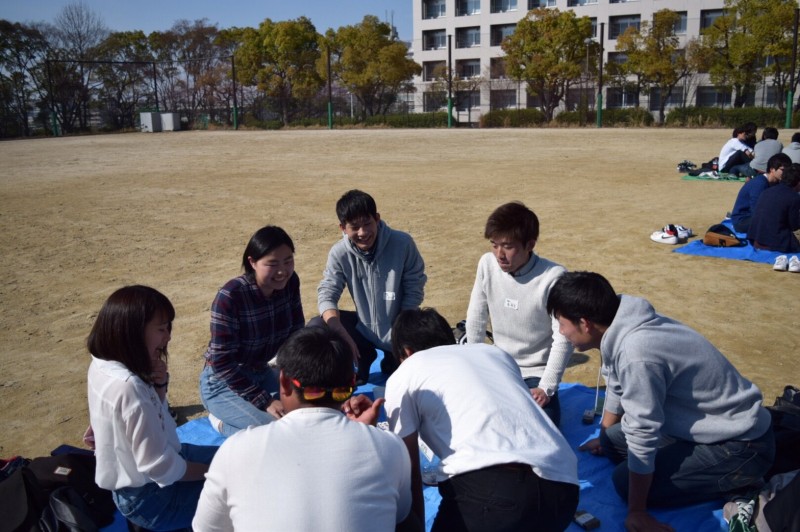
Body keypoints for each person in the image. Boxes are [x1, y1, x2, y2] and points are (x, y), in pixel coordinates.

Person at [546, 272, 775, 532]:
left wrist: (637, 511)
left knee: (624, 482)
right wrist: (604, 435)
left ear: (584, 323)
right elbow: (617, 385)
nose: (561, 333)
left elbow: (643, 432)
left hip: (742, 444)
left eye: (562, 324)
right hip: (702, 428)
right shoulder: (618, 323)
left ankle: (741, 481)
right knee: (612, 441)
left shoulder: (637, 353)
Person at [346, 307, 579, 531]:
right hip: (564, 490)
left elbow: (408, 469)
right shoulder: (494, 353)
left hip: (491, 492)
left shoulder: (405, 373)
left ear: (406, 352)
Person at [193, 326, 415, 532]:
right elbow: (401, 515)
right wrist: (368, 436)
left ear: (283, 382)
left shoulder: (236, 450)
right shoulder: (390, 447)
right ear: (352, 383)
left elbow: (206, 528)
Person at [87, 285, 217, 531]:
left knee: (238, 457)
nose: (168, 337)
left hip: (147, 475)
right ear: (132, 332)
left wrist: (158, 386)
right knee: (242, 485)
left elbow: (154, 419)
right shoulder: (128, 387)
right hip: (152, 500)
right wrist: (213, 473)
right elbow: (160, 468)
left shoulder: (103, 364)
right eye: (161, 329)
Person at [465, 201, 573, 426]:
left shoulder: (553, 277)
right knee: (474, 415)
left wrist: (546, 387)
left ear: (530, 244)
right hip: (498, 364)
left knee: (543, 426)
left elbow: (563, 338)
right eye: (494, 245)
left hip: (536, 373)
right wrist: (474, 365)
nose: (499, 255)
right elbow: (476, 316)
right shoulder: (487, 264)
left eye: (507, 246)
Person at [199, 225, 304, 436]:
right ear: (252, 262)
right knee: (275, 432)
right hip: (223, 382)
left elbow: (296, 333)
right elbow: (221, 361)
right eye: (272, 264)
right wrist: (265, 401)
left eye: (288, 261)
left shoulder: (291, 282)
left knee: (308, 415)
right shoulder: (231, 296)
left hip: (262, 371)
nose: (282, 271)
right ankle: (219, 421)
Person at [314, 189, 426, 382]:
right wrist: (339, 331)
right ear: (343, 228)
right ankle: (362, 357)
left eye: (367, 223)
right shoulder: (339, 253)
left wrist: (402, 331)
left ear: (377, 218)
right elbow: (327, 292)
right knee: (318, 326)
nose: (363, 232)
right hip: (362, 330)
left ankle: (392, 356)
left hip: (398, 327)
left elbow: (414, 286)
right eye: (354, 227)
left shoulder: (403, 243)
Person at [730, 152, 790, 233]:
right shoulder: (760, 184)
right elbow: (757, 211)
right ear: (772, 169)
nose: (786, 173)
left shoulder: (775, 183)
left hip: (754, 217)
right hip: (742, 221)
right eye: (783, 170)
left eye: (787, 170)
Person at [747, 162, 800, 253]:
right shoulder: (794, 197)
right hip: (776, 244)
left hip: (756, 240)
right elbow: (794, 225)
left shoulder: (767, 191)